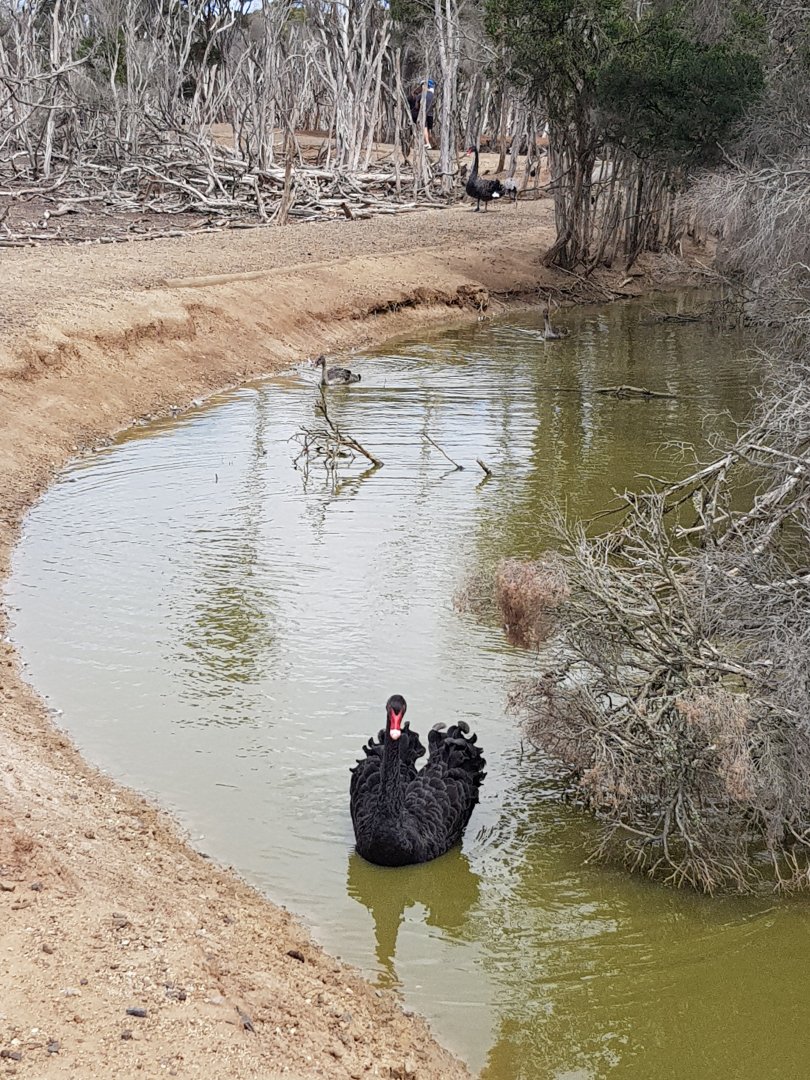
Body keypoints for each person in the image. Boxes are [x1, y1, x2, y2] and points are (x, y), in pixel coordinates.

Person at [408, 80, 435, 148]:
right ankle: (428, 143)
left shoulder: (420, 95)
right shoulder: (432, 95)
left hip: (421, 114)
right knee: (428, 129)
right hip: (429, 114)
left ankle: (424, 143)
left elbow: (417, 106)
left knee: (422, 128)